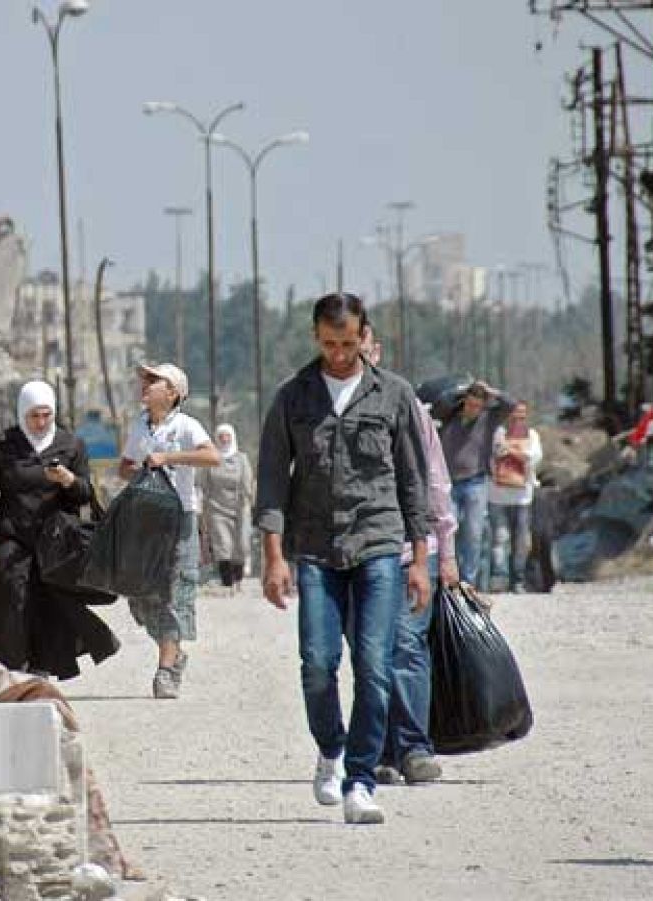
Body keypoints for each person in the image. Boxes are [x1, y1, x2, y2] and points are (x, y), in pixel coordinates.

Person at [257, 294, 431, 825]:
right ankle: (330, 749)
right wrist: (272, 558)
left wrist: (420, 561)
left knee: (375, 668)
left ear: (364, 336)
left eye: (348, 344)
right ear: (315, 337)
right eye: (329, 344)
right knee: (317, 665)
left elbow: (412, 483)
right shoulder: (292, 399)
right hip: (314, 548)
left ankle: (360, 780)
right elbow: (270, 485)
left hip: (379, 544)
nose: (338, 354)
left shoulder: (395, 396)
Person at [0, 380, 119, 678]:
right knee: (11, 597)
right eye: (34, 415)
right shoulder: (4, 444)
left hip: (55, 542)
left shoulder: (71, 445)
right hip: (11, 535)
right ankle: (8, 666)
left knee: (47, 602)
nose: (40, 422)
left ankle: (41, 666)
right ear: (23, 413)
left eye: (46, 415)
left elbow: (86, 495)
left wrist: (68, 480)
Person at [361, 325, 460, 787]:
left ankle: (415, 747)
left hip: (408, 550)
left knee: (405, 644)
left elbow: (435, 482)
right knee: (370, 653)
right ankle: (381, 748)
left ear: (374, 350)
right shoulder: (324, 410)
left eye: (358, 345)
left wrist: (446, 554)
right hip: (355, 555)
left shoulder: (409, 410)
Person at [118, 363, 220, 700]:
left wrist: (169, 458)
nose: (144, 385)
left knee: (176, 591)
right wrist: (139, 469)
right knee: (141, 595)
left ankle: (166, 669)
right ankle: (174, 650)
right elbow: (125, 466)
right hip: (145, 520)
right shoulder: (139, 426)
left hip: (179, 521)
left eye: (153, 380)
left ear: (173, 392)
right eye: (144, 380)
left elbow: (211, 456)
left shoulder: (186, 426)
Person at [439, 379, 516, 588]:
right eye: (470, 404)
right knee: (447, 533)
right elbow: (441, 401)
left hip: (476, 481)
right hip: (449, 483)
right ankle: (447, 579)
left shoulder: (489, 419)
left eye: (477, 406)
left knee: (473, 533)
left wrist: (492, 391)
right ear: (464, 401)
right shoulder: (449, 415)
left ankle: (468, 581)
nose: (473, 409)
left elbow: (510, 404)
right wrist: (462, 389)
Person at [487, 401, 543, 593]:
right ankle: (500, 579)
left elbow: (532, 457)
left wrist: (510, 450)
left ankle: (517, 579)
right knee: (500, 539)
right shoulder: (497, 433)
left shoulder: (532, 435)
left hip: (523, 497)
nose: (518, 418)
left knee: (521, 542)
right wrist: (513, 451)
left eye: (522, 414)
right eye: (515, 413)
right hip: (497, 496)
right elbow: (494, 453)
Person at [198, 424, 254, 591]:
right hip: (217, 508)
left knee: (241, 545)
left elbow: (247, 483)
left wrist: (247, 502)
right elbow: (204, 484)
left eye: (227, 436)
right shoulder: (211, 459)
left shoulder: (242, 459)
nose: (224, 439)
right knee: (223, 545)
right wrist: (204, 507)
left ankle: (239, 579)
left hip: (239, 507)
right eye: (221, 436)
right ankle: (227, 582)